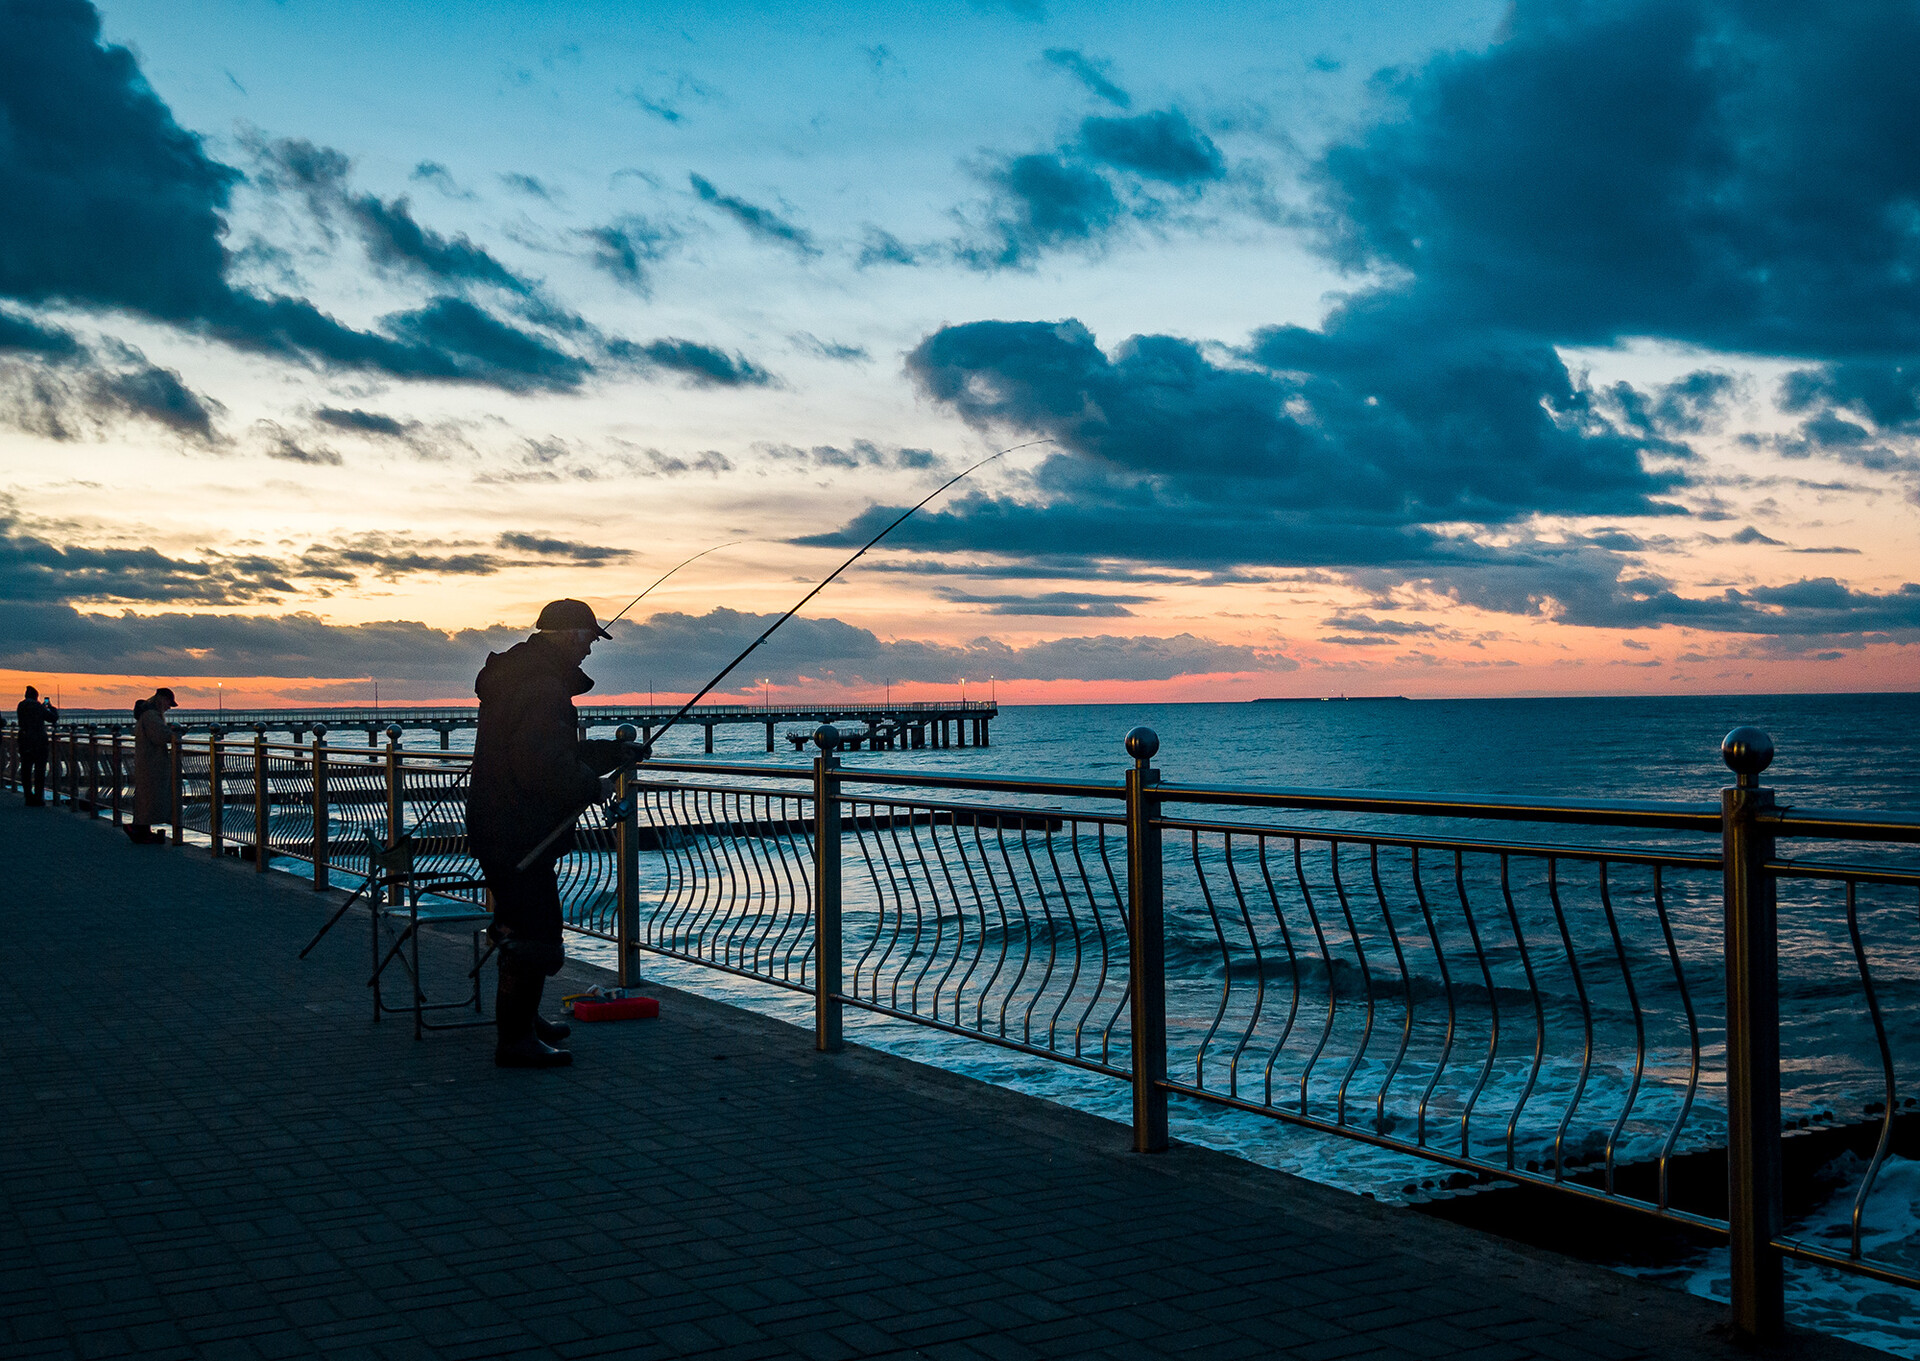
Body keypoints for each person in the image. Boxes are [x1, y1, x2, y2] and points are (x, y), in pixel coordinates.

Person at [466, 599, 640, 1068]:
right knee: (536, 931)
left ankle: (524, 1021)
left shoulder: (521, 679)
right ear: (567, 635)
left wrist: (605, 753)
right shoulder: (543, 687)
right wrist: (594, 786)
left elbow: (545, 747)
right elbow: (542, 763)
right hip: (518, 829)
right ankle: (515, 1039)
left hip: (499, 822)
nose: (589, 650)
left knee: (518, 924)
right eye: (587, 638)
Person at [128, 687, 177, 844]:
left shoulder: (146, 714)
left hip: (146, 760)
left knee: (145, 796)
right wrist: (175, 735)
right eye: (169, 703)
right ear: (162, 699)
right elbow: (160, 736)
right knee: (149, 797)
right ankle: (140, 830)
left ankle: (141, 829)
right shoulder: (151, 715)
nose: (169, 707)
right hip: (151, 762)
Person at [15, 685, 57, 807]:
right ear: (36, 696)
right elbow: (52, 718)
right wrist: (51, 708)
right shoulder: (37, 706)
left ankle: (28, 796)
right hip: (39, 742)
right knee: (39, 770)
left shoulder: (21, 705)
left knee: (26, 769)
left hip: (24, 740)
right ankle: (38, 797)